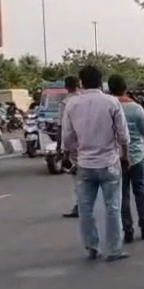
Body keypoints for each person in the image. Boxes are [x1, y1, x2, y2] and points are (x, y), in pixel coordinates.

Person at [61, 65, 131, 262]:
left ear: (81, 82)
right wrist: (125, 156)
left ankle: (92, 246)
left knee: (85, 208)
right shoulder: (111, 102)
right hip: (109, 162)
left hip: (85, 164)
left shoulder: (72, 104)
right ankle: (114, 249)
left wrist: (70, 155)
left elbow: (67, 137)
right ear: (101, 82)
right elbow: (123, 134)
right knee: (113, 207)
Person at [108, 75, 144, 243]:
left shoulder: (109, 107)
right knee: (139, 191)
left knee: (123, 194)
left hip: (116, 157)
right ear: (125, 88)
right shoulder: (136, 108)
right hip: (137, 155)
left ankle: (128, 229)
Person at [59, 76, 81, 218]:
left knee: (78, 178)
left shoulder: (66, 103)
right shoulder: (85, 100)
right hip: (91, 144)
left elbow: (62, 127)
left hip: (74, 145)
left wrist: (62, 150)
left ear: (66, 87)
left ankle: (81, 205)